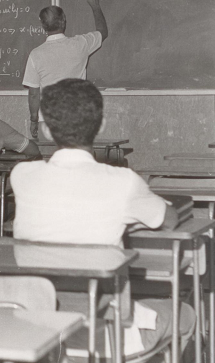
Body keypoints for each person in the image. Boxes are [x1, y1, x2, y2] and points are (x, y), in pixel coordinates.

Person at [10, 79, 194, 358]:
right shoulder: (123, 182)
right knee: (188, 314)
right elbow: (168, 220)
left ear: (46, 130)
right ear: (102, 125)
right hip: (109, 333)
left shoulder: (22, 175)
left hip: (41, 331)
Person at [23, 0, 108, 139]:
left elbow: (34, 95)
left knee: (50, 154)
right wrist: (95, 5)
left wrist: (33, 120)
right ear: (63, 21)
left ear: (43, 26)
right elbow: (103, 31)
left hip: (47, 121)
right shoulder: (80, 44)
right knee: (75, 154)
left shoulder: (36, 55)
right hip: (77, 118)